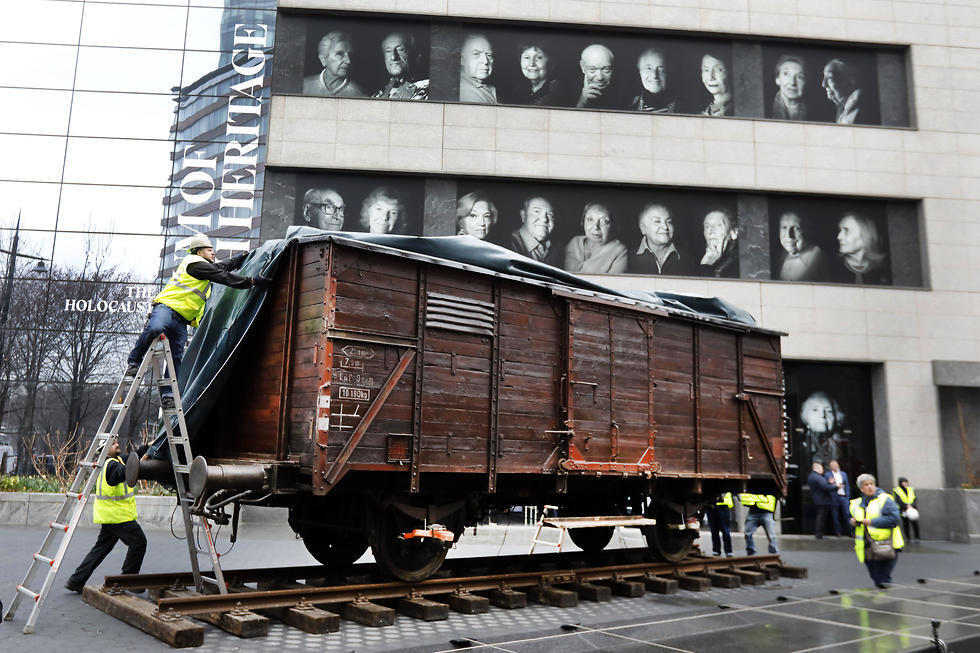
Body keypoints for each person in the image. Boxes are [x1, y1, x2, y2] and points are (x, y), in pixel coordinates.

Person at [125, 235, 269, 408]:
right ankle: (134, 361)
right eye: (209, 250)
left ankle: (169, 395)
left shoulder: (202, 267)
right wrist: (251, 281)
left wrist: (238, 260)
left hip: (181, 319)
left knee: (176, 357)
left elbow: (219, 268)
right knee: (155, 328)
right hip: (166, 308)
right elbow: (222, 275)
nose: (213, 252)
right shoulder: (194, 263)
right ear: (199, 252)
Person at [64, 440, 146, 592]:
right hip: (118, 517)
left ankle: (76, 580)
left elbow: (135, 455)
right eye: (113, 443)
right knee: (139, 542)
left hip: (109, 516)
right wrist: (140, 466)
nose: (117, 444)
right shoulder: (112, 465)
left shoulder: (114, 461)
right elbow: (126, 472)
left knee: (100, 549)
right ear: (105, 450)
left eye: (116, 441)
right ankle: (128, 579)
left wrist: (150, 446)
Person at [850, 473, 904, 588]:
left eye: (872, 484)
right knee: (876, 578)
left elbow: (894, 519)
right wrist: (854, 523)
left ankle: (889, 603)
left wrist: (872, 522)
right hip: (868, 547)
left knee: (883, 579)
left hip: (887, 545)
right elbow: (852, 522)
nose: (870, 487)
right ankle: (885, 602)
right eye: (866, 485)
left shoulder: (885, 499)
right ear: (861, 488)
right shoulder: (856, 504)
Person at [564, 203, 628, 274]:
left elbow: (614, 283)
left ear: (613, 225)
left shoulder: (620, 250)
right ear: (583, 221)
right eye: (590, 219)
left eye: (604, 221)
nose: (596, 227)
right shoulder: (575, 242)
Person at [628, 203, 690, 275]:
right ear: (643, 228)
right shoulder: (628, 258)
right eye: (657, 221)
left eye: (669, 222)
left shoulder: (687, 259)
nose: (665, 227)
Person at [830, 212, 890, 285]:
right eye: (840, 231)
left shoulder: (883, 269)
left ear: (865, 236)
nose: (839, 237)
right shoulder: (832, 267)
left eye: (846, 231)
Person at [303, 32, 365, 97]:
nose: (348, 61)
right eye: (340, 54)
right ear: (323, 59)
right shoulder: (304, 86)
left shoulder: (358, 94)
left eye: (350, 55)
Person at [372, 32, 429, 100]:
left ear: (417, 55)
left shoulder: (430, 92)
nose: (393, 57)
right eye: (388, 51)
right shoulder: (377, 96)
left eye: (401, 50)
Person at [775, 211, 828, 281]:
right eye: (784, 227)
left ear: (808, 231)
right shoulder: (781, 254)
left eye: (796, 228)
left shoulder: (817, 255)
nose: (789, 235)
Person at [510, 196, 561, 267]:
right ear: (523, 216)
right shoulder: (508, 246)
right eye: (536, 211)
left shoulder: (557, 249)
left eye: (549, 214)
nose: (544, 219)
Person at [507, 41, 561, 106]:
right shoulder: (518, 89)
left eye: (539, 57)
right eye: (527, 57)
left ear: (552, 63)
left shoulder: (557, 93)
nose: (531, 64)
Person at [800, 391, 845, 464]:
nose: (822, 415)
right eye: (815, 410)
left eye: (829, 411)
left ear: (836, 417)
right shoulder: (801, 446)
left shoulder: (843, 447)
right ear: (805, 417)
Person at [629, 48, 675, 113]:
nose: (654, 75)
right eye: (649, 68)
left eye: (660, 68)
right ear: (640, 71)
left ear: (668, 71)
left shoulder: (683, 108)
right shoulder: (631, 106)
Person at [697, 208, 738, 278]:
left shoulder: (739, 267)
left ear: (733, 233)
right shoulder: (695, 263)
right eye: (707, 226)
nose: (711, 231)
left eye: (719, 225)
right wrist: (705, 265)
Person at [576, 44, 619, 109]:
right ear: (583, 67)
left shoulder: (626, 91)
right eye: (592, 69)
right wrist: (581, 103)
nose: (600, 78)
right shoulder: (570, 89)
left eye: (606, 69)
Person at [822, 58, 863, 124]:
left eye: (830, 78)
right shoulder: (845, 106)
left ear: (851, 81)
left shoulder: (860, 111)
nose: (823, 84)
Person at [459, 34, 496, 104]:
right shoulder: (467, 94)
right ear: (462, 59)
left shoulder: (484, 86)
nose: (485, 61)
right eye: (476, 54)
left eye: (489, 55)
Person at [808, 461, 839, 538]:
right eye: (821, 467)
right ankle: (819, 533)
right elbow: (825, 487)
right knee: (821, 517)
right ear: (818, 468)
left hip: (819, 500)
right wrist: (836, 486)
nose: (822, 470)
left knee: (821, 517)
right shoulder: (818, 477)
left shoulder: (811, 476)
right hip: (822, 500)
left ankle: (820, 533)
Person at [771, 55, 807, 120]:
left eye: (799, 77)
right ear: (777, 79)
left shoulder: (814, 112)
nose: (792, 82)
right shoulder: (765, 109)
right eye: (786, 74)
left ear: (805, 82)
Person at [700, 52, 732, 116]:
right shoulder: (714, 106)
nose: (711, 77)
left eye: (719, 70)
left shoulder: (730, 110)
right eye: (706, 70)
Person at [826, 459, 853, 537]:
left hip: (843, 497)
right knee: (835, 516)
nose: (835, 466)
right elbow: (826, 487)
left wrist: (847, 496)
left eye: (835, 464)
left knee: (847, 515)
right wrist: (834, 486)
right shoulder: (828, 475)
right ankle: (838, 532)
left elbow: (847, 485)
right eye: (832, 465)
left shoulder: (843, 474)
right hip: (834, 497)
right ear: (830, 467)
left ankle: (850, 532)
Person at [705, 492, 734, 557]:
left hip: (722, 506)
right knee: (714, 531)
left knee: (725, 530)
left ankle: (728, 551)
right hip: (710, 506)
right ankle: (716, 550)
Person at [893, 477, 920, 542]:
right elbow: (898, 500)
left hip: (912, 509)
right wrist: (906, 506)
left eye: (906, 482)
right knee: (906, 524)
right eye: (903, 482)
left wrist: (912, 505)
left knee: (915, 523)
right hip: (903, 509)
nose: (905, 484)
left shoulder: (910, 489)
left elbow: (914, 498)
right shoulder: (897, 490)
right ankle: (908, 538)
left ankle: (917, 537)